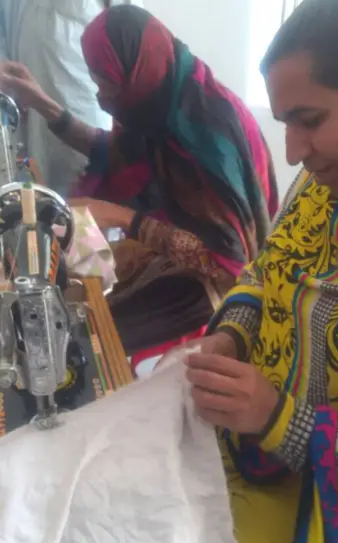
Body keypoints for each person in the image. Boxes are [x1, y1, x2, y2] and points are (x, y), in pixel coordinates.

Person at [180, 0, 338, 543]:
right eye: (284, 123)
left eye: (309, 119)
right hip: (253, 464)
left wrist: (282, 420)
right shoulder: (322, 181)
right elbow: (267, 267)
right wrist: (233, 333)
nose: (293, 152)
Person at [0, 5, 278, 354]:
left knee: (87, 337)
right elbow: (113, 151)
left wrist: (123, 218)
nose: (100, 96)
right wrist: (41, 102)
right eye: (96, 81)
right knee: (71, 292)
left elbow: (225, 263)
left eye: (106, 83)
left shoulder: (206, 137)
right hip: (172, 249)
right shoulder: (159, 103)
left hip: (216, 285)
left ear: (137, 70)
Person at [0, 0, 137, 194]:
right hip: (25, 103)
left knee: (85, 190)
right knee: (38, 192)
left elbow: (131, 33)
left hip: (82, 97)